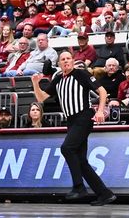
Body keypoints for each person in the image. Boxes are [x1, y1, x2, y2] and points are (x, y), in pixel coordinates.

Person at [31, 51, 116, 206]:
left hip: (84, 116)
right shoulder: (58, 78)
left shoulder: (81, 74)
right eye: (63, 59)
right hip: (71, 121)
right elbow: (41, 98)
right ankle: (105, 194)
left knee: (67, 149)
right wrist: (36, 84)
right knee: (81, 161)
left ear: (72, 60)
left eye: (68, 58)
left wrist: (100, 110)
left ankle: (78, 187)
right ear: (59, 63)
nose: (66, 61)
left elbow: (102, 91)